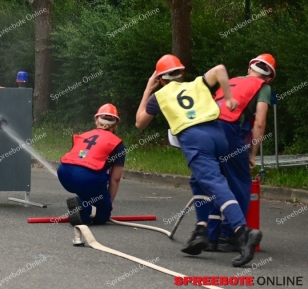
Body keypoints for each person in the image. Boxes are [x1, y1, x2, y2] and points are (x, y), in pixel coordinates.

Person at [135, 54, 262, 267]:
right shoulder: (197, 83)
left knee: (215, 183)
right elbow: (221, 68)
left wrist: (149, 88)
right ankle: (201, 230)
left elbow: (140, 123)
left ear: (160, 78)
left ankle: (243, 231)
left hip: (196, 140)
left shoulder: (160, 95)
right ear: (181, 73)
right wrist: (229, 97)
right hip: (218, 135)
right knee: (198, 181)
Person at [206, 53, 276, 252]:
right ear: (269, 77)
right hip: (229, 133)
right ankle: (228, 237)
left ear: (249, 69)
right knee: (240, 183)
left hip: (208, 132)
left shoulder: (232, 81)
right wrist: (252, 154)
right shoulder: (263, 87)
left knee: (217, 184)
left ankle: (211, 235)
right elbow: (260, 123)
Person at [58, 104, 126, 226]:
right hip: (87, 178)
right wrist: (108, 205)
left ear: (96, 120)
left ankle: (83, 203)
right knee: (103, 215)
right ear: (116, 125)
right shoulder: (117, 144)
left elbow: (81, 156)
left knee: (87, 190)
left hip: (64, 172)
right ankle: (84, 209)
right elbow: (115, 179)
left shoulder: (84, 135)